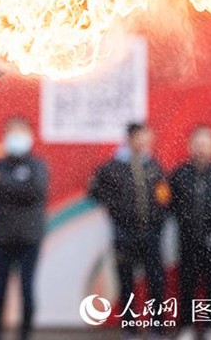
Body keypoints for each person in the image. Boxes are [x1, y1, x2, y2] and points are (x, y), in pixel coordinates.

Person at [89, 122, 169, 336]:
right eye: (140, 138)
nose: (144, 142)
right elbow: (94, 191)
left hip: (151, 234)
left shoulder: (153, 166)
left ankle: (157, 325)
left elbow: (164, 197)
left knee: (156, 281)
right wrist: (116, 210)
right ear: (130, 138)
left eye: (147, 138)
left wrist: (158, 222)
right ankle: (130, 326)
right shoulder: (113, 167)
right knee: (126, 282)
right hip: (124, 234)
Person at [0, 116, 48, 340]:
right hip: (1, 238)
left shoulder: (37, 166)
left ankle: (25, 335)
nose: (16, 138)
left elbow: (34, 191)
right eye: (11, 133)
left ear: (29, 136)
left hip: (29, 239)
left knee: (27, 290)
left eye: (20, 132)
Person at [169, 125, 211, 339]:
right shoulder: (179, 175)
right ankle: (186, 327)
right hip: (187, 241)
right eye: (198, 144)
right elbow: (171, 205)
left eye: (206, 144)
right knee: (187, 285)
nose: (202, 148)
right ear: (190, 146)